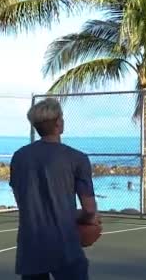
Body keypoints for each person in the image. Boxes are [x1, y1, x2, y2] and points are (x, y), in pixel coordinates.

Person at [9, 97, 99, 280]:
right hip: (65, 245)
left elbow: (23, 201)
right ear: (58, 122)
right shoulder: (77, 158)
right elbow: (89, 209)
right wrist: (86, 219)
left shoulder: (19, 157)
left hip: (30, 246)